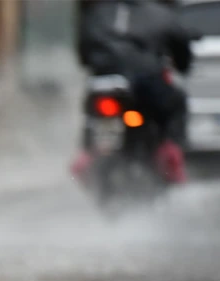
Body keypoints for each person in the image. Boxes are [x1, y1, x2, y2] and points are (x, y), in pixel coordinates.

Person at [75, 0, 195, 182]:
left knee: (92, 116)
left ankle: (87, 152)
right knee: (177, 103)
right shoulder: (160, 14)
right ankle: (171, 152)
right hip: (145, 82)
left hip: (104, 79)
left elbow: (83, 53)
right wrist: (181, 64)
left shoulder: (98, 13)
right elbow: (181, 50)